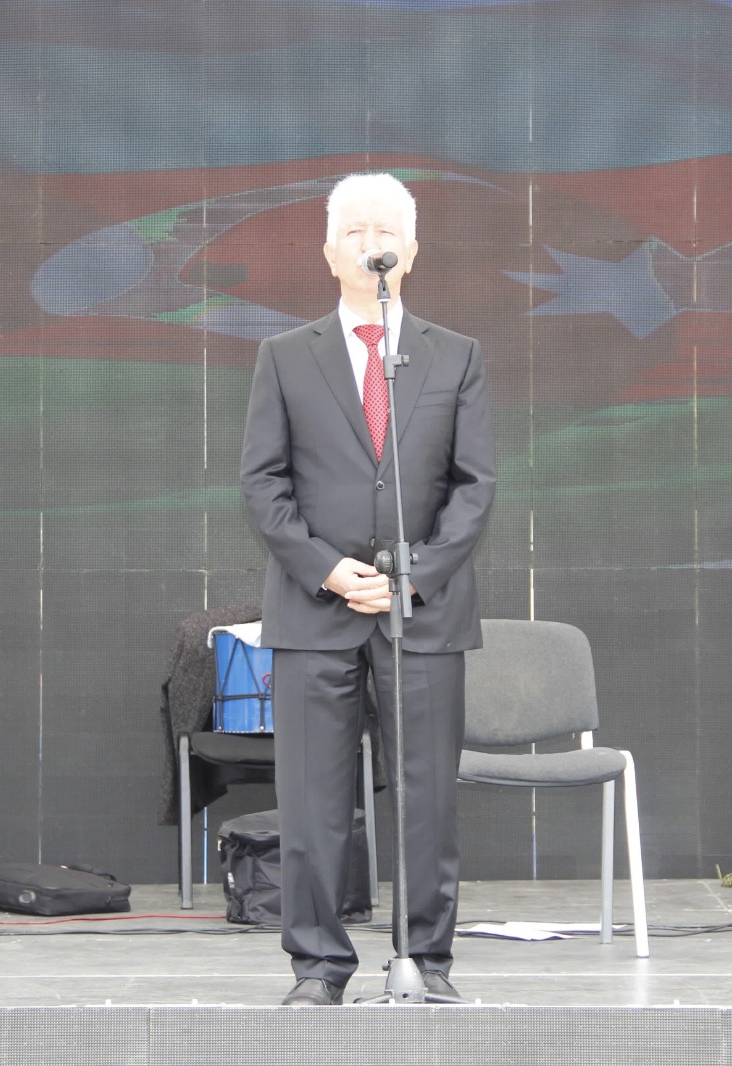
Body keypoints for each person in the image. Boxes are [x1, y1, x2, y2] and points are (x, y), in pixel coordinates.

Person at [240, 172, 497, 1006]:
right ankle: (318, 966)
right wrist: (324, 567)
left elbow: (474, 487)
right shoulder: (285, 357)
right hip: (314, 613)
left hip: (423, 614)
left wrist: (413, 577)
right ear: (329, 253)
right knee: (312, 804)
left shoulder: (456, 355)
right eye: (354, 231)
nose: (371, 244)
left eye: (386, 231)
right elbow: (263, 484)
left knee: (427, 801)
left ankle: (427, 960)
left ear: (411, 252)